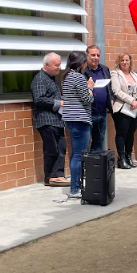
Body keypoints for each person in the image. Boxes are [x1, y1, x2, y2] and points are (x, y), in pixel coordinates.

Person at [31, 53, 69, 187]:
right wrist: (59, 103)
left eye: (60, 64)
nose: (60, 67)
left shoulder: (51, 78)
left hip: (56, 120)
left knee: (61, 148)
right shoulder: (40, 78)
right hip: (46, 120)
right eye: (56, 65)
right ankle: (51, 176)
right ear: (47, 65)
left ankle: (57, 176)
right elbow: (39, 99)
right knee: (52, 149)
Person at [61, 51, 94, 199]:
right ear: (81, 63)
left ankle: (76, 186)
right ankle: (75, 189)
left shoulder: (66, 77)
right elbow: (88, 99)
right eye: (85, 62)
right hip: (80, 120)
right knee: (79, 155)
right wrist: (90, 87)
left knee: (75, 154)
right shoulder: (79, 77)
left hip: (70, 119)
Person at [110, 53, 137, 169]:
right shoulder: (115, 74)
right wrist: (131, 101)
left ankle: (128, 157)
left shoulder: (134, 75)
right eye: (122, 60)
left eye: (127, 60)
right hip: (122, 109)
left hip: (134, 109)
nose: (125, 62)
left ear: (130, 61)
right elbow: (116, 91)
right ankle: (121, 158)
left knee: (130, 134)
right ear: (119, 62)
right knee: (122, 134)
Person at [85, 45, 113, 152]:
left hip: (102, 112)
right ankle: (85, 163)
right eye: (93, 55)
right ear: (87, 55)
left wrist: (111, 99)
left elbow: (109, 88)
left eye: (98, 55)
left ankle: (95, 161)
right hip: (87, 113)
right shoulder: (82, 71)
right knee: (85, 143)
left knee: (98, 143)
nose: (96, 58)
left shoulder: (104, 69)